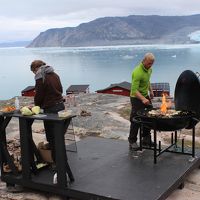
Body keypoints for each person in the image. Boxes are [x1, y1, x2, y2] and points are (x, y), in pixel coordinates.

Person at [30, 60, 65, 162]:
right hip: (60, 106)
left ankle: (57, 162)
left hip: (51, 109)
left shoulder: (40, 76)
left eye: (33, 71)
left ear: (36, 68)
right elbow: (61, 89)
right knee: (59, 135)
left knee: (52, 137)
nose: (34, 74)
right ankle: (62, 159)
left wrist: (36, 105)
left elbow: (39, 94)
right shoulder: (54, 74)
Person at [128, 53, 155, 150]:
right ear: (144, 61)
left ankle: (146, 140)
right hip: (136, 98)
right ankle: (132, 141)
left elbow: (147, 81)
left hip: (145, 95)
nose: (150, 65)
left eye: (152, 64)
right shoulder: (137, 72)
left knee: (149, 116)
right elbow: (134, 90)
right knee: (136, 119)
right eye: (148, 63)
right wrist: (143, 99)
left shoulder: (149, 70)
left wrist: (151, 91)